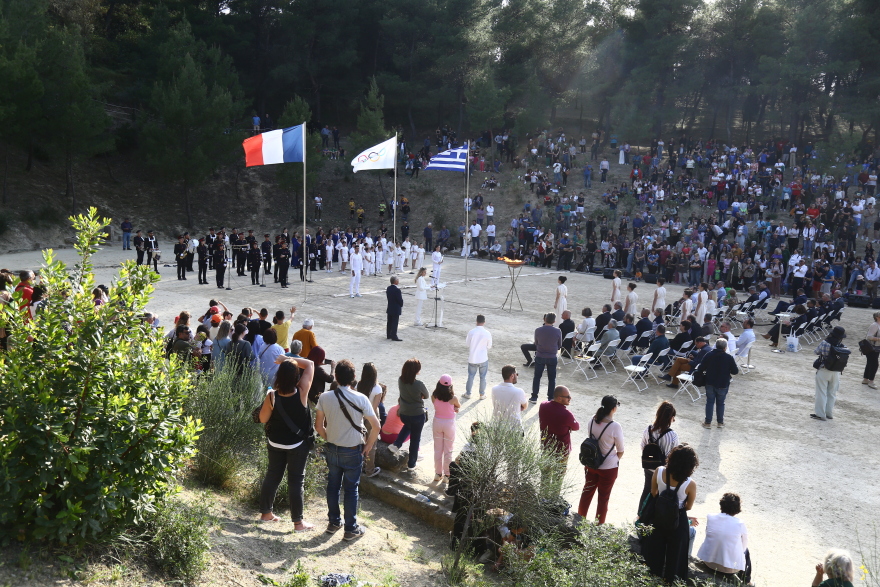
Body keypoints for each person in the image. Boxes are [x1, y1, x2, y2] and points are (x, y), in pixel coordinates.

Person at [315, 360, 379, 541]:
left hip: (333, 449)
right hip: (353, 449)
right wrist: (368, 446)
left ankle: (334, 521)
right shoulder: (361, 399)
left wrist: (330, 438)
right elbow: (376, 426)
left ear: (335, 377)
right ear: (354, 378)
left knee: (333, 486)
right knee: (351, 489)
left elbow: (318, 426)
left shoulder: (325, 397)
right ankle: (350, 528)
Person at [258, 357, 316, 530]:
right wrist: (287, 358)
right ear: (295, 377)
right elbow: (310, 364)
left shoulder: (272, 396)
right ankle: (298, 523)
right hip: (297, 445)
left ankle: (266, 513)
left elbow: (262, 419)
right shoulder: (302, 391)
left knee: (272, 475)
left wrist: (285, 362)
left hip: (275, 442)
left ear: (279, 376)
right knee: (296, 482)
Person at [641, 444, 699, 583]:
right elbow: (688, 506)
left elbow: (654, 493)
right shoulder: (690, 484)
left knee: (654, 552)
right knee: (676, 556)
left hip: (658, 515)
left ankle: (651, 578)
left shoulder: (659, 471)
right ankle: (671, 581)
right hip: (677, 520)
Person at [577, 395, 624, 524]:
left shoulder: (592, 420)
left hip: (591, 463)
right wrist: (613, 460)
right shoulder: (615, 426)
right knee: (603, 498)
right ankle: (599, 525)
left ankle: (579, 520)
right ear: (614, 409)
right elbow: (620, 450)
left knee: (587, 493)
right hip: (608, 467)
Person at [697, 493, 752, 584]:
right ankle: (747, 581)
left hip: (708, 562)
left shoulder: (711, 517)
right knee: (746, 551)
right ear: (737, 508)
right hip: (729, 569)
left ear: (721, 505)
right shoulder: (740, 523)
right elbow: (744, 545)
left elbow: (708, 534)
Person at [389, 358, 430, 476]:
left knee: (407, 426)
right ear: (416, 371)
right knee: (415, 440)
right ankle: (411, 465)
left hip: (404, 414)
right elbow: (426, 395)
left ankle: (396, 444)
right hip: (417, 415)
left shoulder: (400, 381)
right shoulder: (419, 384)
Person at [637, 401, 679, 512]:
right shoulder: (672, 435)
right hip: (662, 469)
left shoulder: (648, 430)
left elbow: (643, 447)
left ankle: (640, 515)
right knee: (660, 493)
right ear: (671, 418)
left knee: (647, 490)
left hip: (648, 465)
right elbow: (673, 454)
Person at [538, 386, 579, 475]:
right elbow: (576, 427)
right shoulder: (566, 414)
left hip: (546, 447)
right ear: (559, 398)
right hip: (561, 452)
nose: (570, 398)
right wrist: (568, 427)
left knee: (545, 477)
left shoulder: (543, 405)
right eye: (568, 396)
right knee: (558, 479)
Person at [700, 338, 739, 428]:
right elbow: (735, 371)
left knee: (709, 402)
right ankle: (720, 422)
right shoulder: (728, 357)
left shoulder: (709, 355)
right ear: (725, 348)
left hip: (710, 381)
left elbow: (701, 367)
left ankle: (708, 422)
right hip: (723, 383)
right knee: (721, 403)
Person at [355, 363, 384, 478]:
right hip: (371, 417)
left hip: (359, 415)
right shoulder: (377, 388)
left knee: (359, 441)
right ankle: (369, 470)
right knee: (371, 444)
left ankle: (359, 465)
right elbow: (375, 406)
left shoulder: (359, 385)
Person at [813, 326, 847, 421]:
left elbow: (816, 352)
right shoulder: (842, 346)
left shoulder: (825, 343)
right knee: (832, 393)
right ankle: (829, 413)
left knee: (821, 392)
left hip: (824, 369)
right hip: (836, 372)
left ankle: (820, 414)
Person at [431, 374, 460, 482]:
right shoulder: (453, 398)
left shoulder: (434, 396)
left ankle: (438, 474)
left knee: (438, 449)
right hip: (449, 424)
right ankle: (447, 475)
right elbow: (458, 405)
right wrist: (454, 408)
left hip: (437, 422)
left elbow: (438, 405)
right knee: (448, 450)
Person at [530, 312, 562, 403]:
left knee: (537, 377)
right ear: (554, 321)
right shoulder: (558, 331)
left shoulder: (538, 330)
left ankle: (534, 397)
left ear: (545, 319)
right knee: (552, 378)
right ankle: (550, 397)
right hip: (552, 356)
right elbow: (560, 345)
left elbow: (536, 343)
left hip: (540, 355)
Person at [464, 314, 492, 399]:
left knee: (471, 376)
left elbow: (467, 344)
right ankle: (482, 394)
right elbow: (489, 346)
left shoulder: (471, 332)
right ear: (484, 322)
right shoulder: (487, 333)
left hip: (473, 358)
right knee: (483, 377)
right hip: (483, 358)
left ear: (476, 321)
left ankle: (468, 393)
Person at [491, 364, 528, 430]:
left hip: (497, 426)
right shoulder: (519, 391)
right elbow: (525, 406)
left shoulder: (494, 389)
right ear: (512, 376)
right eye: (517, 374)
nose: (517, 376)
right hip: (514, 427)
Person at [863, 312, 880, 389]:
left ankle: (866, 379)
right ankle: (871, 381)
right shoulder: (874, 325)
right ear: (877, 317)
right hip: (872, 348)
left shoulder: (878, 325)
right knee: (874, 364)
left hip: (876, 347)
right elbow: (869, 337)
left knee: (870, 363)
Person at [386, 276, 404, 341]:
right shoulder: (397, 290)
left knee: (389, 322)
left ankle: (388, 334)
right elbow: (400, 300)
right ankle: (394, 335)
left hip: (390, 307)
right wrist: (401, 304)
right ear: (395, 281)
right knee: (394, 323)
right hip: (396, 308)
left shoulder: (388, 288)